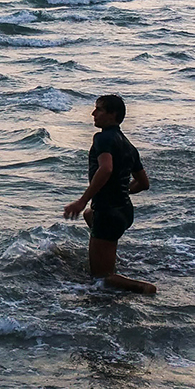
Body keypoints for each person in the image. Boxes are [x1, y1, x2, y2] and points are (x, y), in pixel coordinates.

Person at [63, 95, 156, 294]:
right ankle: (107, 252)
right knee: (90, 215)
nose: (93, 113)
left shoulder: (103, 137)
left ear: (112, 115)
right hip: (124, 212)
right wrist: (122, 190)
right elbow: (143, 183)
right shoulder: (129, 146)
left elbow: (105, 169)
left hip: (109, 213)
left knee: (101, 278)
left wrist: (81, 201)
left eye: (99, 110)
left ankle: (143, 288)